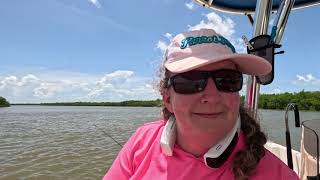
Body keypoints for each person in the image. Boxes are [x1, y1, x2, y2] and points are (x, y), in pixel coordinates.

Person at [103, 28, 299, 180]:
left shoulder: (277, 174)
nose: (212, 96)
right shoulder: (143, 139)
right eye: (191, 82)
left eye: (228, 80)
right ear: (168, 99)